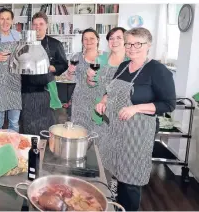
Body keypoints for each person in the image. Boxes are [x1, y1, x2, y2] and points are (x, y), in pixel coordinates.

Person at [95, 27, 176, 211]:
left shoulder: (157, 70)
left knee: (130, 180)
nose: (132, 47)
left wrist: (137, 108)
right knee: (115, 172)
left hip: (137, 135)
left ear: (148, 45)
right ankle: (116, 207)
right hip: (115, 130)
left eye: (137, 43)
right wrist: (103, 101)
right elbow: (110, 91)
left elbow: (169, 104)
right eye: (128, 43)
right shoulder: (124, 66)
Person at [21, 12, 68, 135]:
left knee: (46, 123)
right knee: (28, 123)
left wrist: (53, 68)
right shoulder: (24, 44)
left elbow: (63, 64)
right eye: (35, 24)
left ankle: (45, 147)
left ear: (46, 25)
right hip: (27, 91)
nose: (38, 27)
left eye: (41, 24)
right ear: (31, 26)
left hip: (46, 91)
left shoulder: (55, 44)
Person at [68, 28, 102, 131]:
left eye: (92, 38)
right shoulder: (76, 57)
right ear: (82, 42)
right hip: (80, 98)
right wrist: (70, 71)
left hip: (99, 98)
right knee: (79, 129)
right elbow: (70, 77)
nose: (88, 41)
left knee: (97, 130)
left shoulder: (104, 57)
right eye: (85, 39)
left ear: (98, 40)